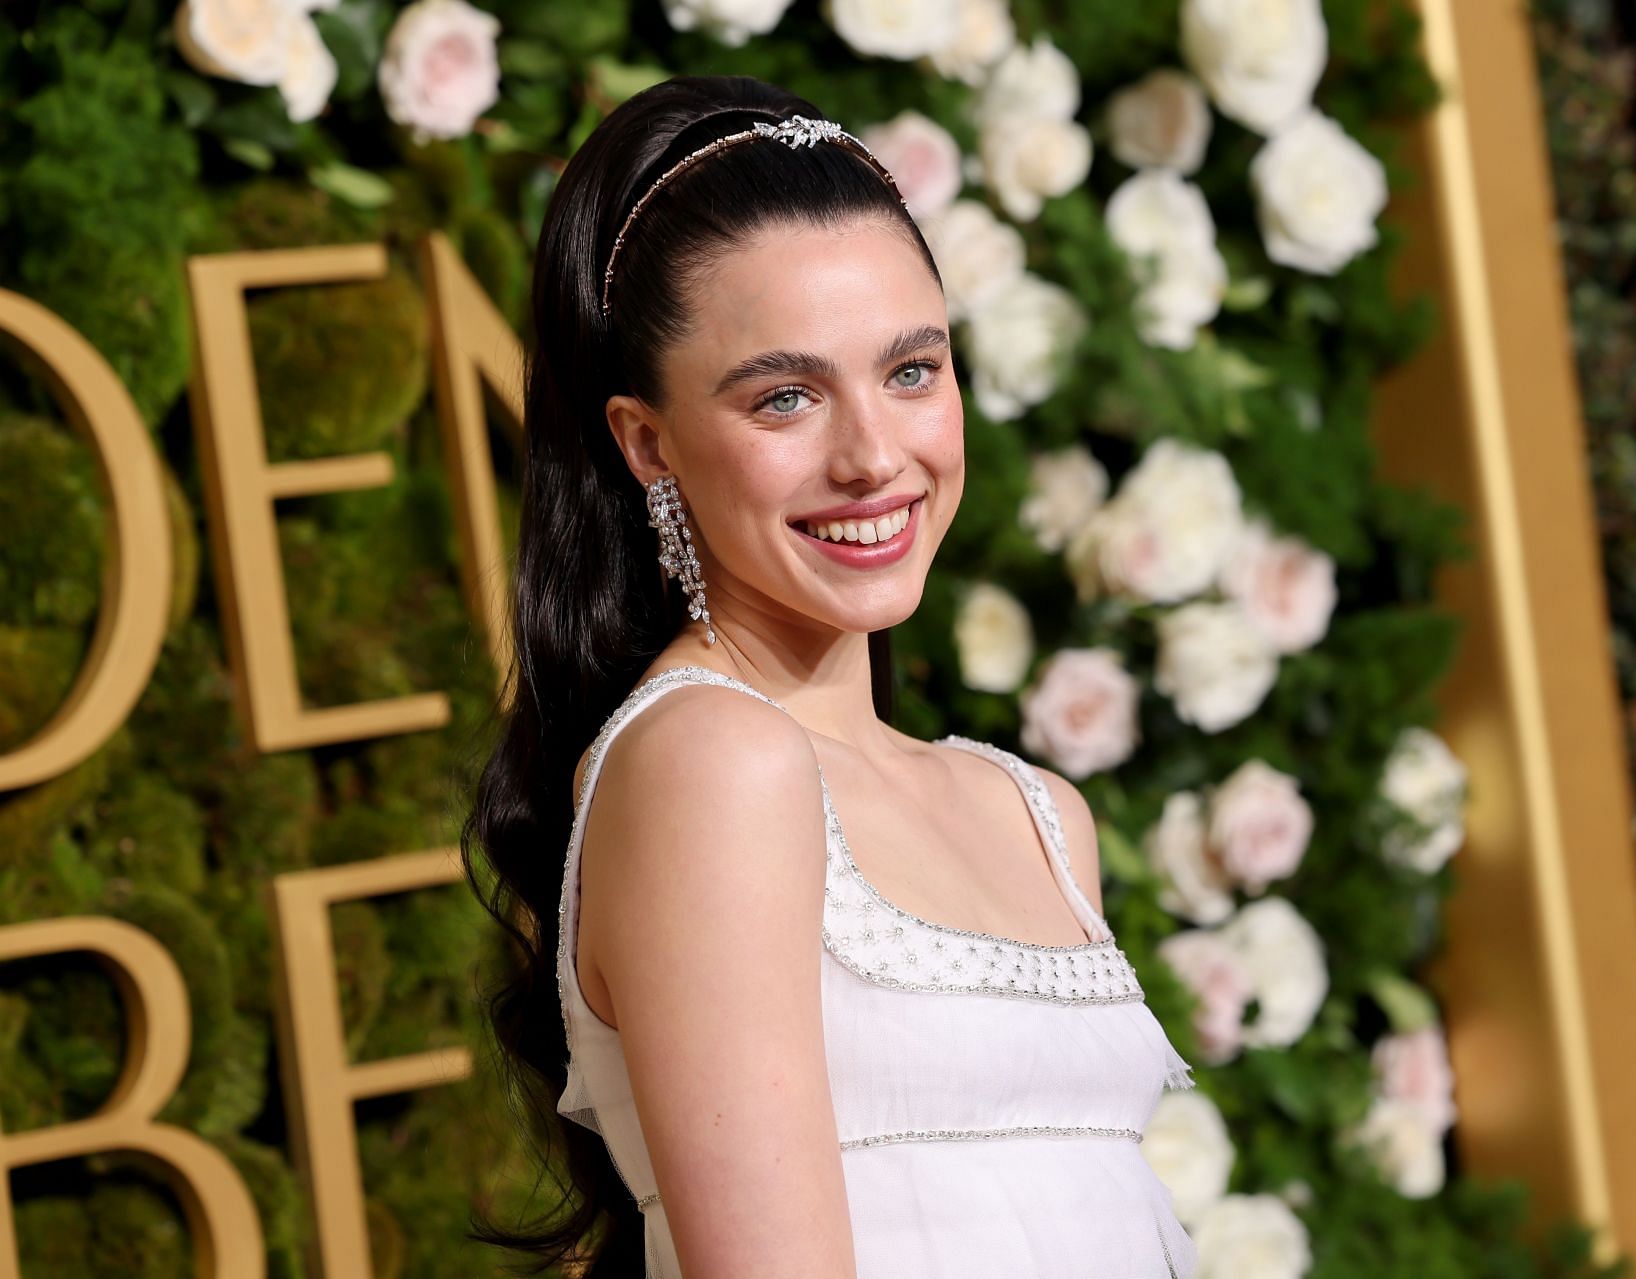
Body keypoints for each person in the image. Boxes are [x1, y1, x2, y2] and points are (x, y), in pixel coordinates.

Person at [463, 74, 1198, 1278]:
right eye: (787, 396)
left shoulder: (1036, 814)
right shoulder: (711, 762)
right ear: (647, 442)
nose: (872, 456)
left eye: (912, 371)